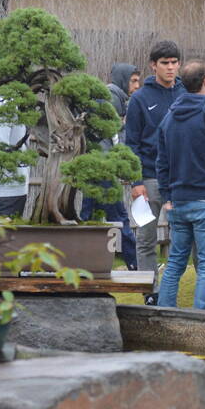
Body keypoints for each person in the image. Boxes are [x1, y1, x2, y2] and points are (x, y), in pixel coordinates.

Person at [155, 61, 205, 310]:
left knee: (175, 261)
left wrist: (167, 196)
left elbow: (161, 162)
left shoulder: (168, 119)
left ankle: (165, 313)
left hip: (178, 201)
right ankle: (200, 318)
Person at [125, 41, 185, 284]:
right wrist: (136, 181)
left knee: (184, 238)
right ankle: (150, 290)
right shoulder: (140, 98)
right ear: (153, 65)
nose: (170, 68)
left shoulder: (185, 94)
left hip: (181, 179)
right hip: (149, 178)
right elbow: (131, 144)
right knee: (146, 238)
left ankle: (177, 289)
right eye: (165, 63)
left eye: (174, 63)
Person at [79, 62, 138, 269]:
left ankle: (84, 263)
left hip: (93, 167)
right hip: (103, 169)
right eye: (134, 81)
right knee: (120, 218)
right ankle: (134, 264)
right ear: (123, 79)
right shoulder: (112, 97)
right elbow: (114, 137)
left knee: (88, 217)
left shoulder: (112, 97)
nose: (137, 85)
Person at [0, 95, 30, 218]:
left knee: (0, 235)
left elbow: (2, 146)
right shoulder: (20, 102)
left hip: (2, 187)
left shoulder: (2, 104)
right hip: (17, 183)